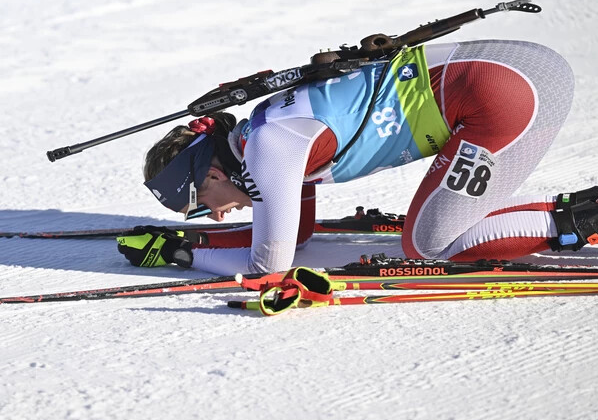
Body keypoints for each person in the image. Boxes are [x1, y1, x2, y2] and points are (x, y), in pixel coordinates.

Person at [117, 40, 598, 276]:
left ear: (215, 172)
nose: (218, 214)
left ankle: (581, 217)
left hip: (508, 96)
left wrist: (183, 254)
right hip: (515, 72)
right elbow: (297, 232)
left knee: (429, 245)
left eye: (202, 204)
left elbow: (272, 266)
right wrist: (193, 237)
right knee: (432, 229)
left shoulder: (269, 151)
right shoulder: (264, 130)